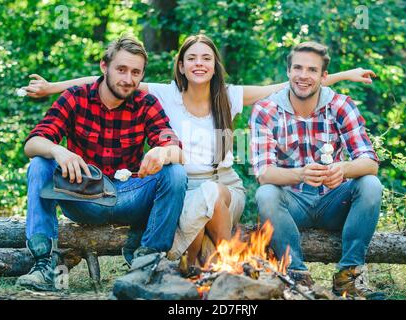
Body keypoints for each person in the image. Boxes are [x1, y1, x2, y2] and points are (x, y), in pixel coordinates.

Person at [23, 34, 376, 267]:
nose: (199, 63)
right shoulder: (162, 94)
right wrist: (52, 87)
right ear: (181, 65)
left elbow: (295, 82)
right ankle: (209, 265)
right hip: (179, 187)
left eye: (206, 58)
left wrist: (343, 75)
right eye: (192, 57)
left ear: (213, 64)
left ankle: (229, 262)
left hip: (222, 185)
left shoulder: (230, 96)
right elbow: (104, 82)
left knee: (209, 193)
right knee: (189, 202)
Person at [16, 35, 187, 291]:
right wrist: (58, 151)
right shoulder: (76, 98)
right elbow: (32, 144)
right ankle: (45, 265)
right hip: (83, 196)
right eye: (121, 69)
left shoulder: (146, 103)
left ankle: (147, 264)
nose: (128, 79)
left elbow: (175, 148)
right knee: (41, 162)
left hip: (130, 196)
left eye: (135, 72)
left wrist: (163, 153)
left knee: (175, 172)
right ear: (104, 66)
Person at [250, 41, 384, 299]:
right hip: (292, 204)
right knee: (266, 193)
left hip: (334, 201)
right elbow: (264, 173)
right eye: (297, 68)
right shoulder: (266, 110)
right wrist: (301, 173)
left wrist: (344, 168)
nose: (303, 75)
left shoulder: (341, 106)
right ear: (288, 71)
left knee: (370, 185)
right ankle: (297, 278)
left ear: (324, 76)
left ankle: (349, 277)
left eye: (312, 70)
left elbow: (370, 162)